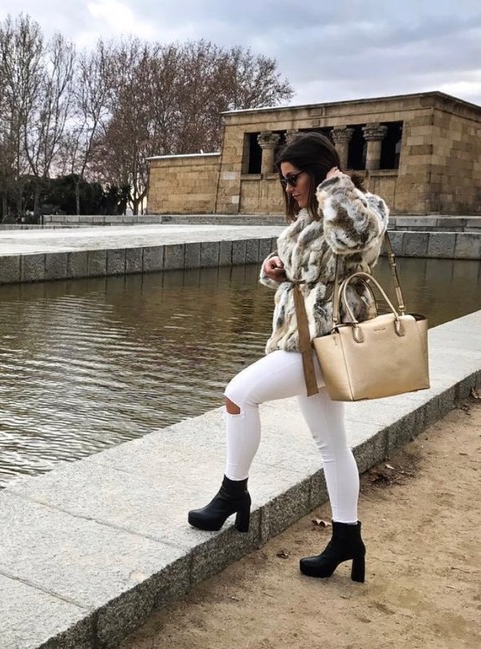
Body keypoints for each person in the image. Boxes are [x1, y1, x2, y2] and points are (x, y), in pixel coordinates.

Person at [186, 132, 389, 584]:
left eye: (294, 177)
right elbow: (302, 271)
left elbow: (353, 238)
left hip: (325, 340)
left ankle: (232, 493)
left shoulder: (364, 206)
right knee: (332, 445)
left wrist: (336, 185)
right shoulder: (305, 216)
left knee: (239, 394)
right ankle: (347, 537)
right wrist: (274, 270)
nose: (289, 187)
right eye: (285, 179)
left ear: (320, 169)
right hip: (302, 336)